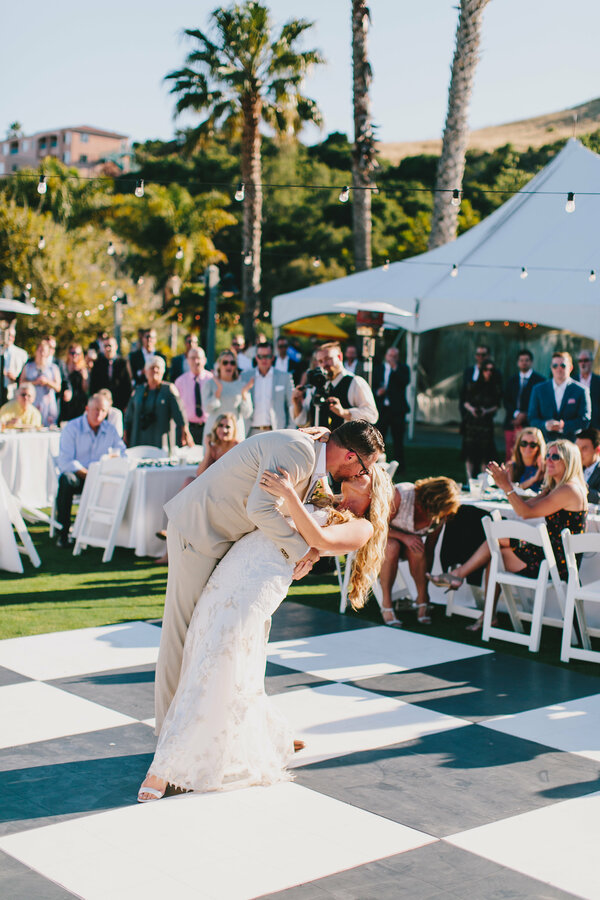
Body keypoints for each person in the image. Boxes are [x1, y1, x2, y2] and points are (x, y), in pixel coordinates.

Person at [138, 462, 393, 801]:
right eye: (358, 467)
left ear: (376, 489)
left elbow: (317, 537)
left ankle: (164, 767)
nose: (359, 472)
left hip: (261, 580)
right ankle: (268, 734)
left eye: (366, 473)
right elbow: (303, 524)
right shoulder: (326, 500)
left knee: (218, 654)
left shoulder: (362, 527)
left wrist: (295, 510)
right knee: (210, 646)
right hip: (238, 563)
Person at [154, 419, 385, 734]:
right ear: (348, 456)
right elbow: (260, 509)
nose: (361, 474)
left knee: (240, 639)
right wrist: (302, 552)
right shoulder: (300, 451)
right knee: (182, 635)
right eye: (363, 467)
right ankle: (169, 733)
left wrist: (311, 552)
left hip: (232, 548)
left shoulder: (318, 461)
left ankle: (248, 726)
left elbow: (314, 523)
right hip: (199, 532)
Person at [429, 440, 588, 630]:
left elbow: (525, 513)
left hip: (558, 562)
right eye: (547, 456)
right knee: (495, 553)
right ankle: (487, 614)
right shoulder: (555, 488)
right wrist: (507, 484)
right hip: (550, 554)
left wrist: (506, 486)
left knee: (496, 538)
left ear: (570, 461)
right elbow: (526, 507)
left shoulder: (568, 489)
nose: (549, 460)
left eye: (555, 457)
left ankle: (459, 576)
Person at [379, 477, 461, 627]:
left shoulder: (439, 515)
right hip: (382, 538)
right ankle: (386, 603)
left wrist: (426, 577)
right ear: (431, 500)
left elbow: (430, 549)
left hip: (407, 545)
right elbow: (376, 525)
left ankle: (422, 599)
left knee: (418, 550)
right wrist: (404, 537)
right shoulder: (401, 495)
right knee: (392, 547)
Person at [55, 393, 126, 547]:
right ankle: (64, 532)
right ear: (87, 409)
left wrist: (113, 459)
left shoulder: (110, 429)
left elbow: (122, 453)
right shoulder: (72, 428)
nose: (98, 414)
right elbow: (65, 462)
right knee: (66, 479)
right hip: (80, 476)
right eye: (95, 410)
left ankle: (115, 533)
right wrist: (88, 474)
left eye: (102, 411)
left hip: (102, 477)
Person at [292, 342, 378, 429]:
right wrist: (297, 403)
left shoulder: (355, 382)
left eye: (328, 359)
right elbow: (303, 422)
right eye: (320, 361)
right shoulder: (316, 385)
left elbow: (372, 415)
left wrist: (344, 412)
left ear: (340, 357)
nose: (324, 365)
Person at [124, 356, 192, 452]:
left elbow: (179, 413)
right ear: (146, 371)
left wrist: (185, 430)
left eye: (158, 368)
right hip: (139, 439)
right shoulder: (138, 390)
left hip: (160, 440)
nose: (155, 370)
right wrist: (125, 433)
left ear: (163, 371)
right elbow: (129, 416)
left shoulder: (169, 389)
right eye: (152, 368)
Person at [528, 351, 590, 442]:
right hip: (545, 443)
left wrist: (563, 426)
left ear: (571, 368)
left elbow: (585, 420)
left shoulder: (581, 390)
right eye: (555, 366)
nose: (558, 369)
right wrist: (545, 425)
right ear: (551, 368)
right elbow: (532, 418)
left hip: (571, 443)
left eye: (563, 365)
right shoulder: (538, 389)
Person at [461, 358, 502, 478]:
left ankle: (483, 480)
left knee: (485, 453)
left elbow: (497, 405)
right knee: (470, 453)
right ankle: (469, 480)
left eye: (491, 370)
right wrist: (472, 409)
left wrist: (486, 411)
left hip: (486, 423)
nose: (488, 372)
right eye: (486, 369)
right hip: (472, 423)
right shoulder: (473, 385)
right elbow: (465, 401)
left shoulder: (494, 388)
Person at [241, 341, 294, 435]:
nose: (264, 360)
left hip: (276, 431)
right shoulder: (245, 376)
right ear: (256, 357)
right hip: (250, 431)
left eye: (267, 356)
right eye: (261, 356)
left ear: (272, 358)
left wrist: (290, 430)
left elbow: (291, 404)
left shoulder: (284, 377)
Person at [202, 349, 253, 442]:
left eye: (232, 363)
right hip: (214, 433)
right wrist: (218, 391)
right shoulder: (210, 384)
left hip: (234, 434)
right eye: (225, 362)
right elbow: (206, 409)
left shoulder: (241, 385)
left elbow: (247, 413)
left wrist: (244, 394)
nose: (229, 365)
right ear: (219, 365)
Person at [503, 349, 545, 459]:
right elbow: (506, 400)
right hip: (511, 423)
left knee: (528, 455)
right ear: (518, 362)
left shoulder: (540, 381)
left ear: (531, 362)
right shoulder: (511, 380)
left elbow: (541, 402)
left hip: (530, 423)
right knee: (510, 453)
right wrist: (516, 414)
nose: (524, 362)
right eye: (521, 360)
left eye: (526, 360)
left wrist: (525, 414)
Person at [374, 346, 410, 471]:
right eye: (390, 356)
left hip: (397, 409)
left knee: (398, 439)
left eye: (395, 356)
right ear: (386, 356)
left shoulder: (403, 368)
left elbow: (404, 382)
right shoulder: (379, 369)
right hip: (382, 409)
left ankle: (399, 467)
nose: (392, 358)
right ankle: (377, 463)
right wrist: (377, 392)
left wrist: (395, 368)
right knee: (378, 438)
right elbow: (372, 384)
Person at [174, 345, 213, 445]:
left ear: (204, 360)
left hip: (209, 427)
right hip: (188, 428)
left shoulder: (212, 380)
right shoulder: (180, 382)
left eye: (199, 358)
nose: (196, 361)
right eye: (192, 358)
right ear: (187, 360)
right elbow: (176, 409)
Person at [20, 338, 62, 426]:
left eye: (44, 351)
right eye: (40, 350)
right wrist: (35, 382)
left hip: (48, 405)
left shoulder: (53, 368)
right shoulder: (28, 366)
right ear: (36, 351)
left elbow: (58, 387)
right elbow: (21, 383)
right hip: (33, 403)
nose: (42, 353)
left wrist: (47, 382)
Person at [89, 336, 133, 412]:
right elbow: (93, 385)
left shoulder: (123, 363)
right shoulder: (98, 363)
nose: (107, 348)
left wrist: (127, 405)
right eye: (105, 346)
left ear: (116, 347)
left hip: (120, 404)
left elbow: (127, 385)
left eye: (110, 346)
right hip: (101, 405)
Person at [506, 427, 546, 493]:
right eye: (524, 443)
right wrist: (533, 479)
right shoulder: (511, 466)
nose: (528, 447)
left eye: (532, 444)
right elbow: (510, 490)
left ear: (539, 447)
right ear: (518, 445)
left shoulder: (544, 467)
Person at [59, 344, 89, 423]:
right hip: (65, 402)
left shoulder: (83, 369)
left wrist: (84, 377)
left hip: (78, 403)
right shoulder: (63, 367)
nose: (75, 355)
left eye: (77, 354)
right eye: (72, 353)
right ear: (68, 354)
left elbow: (85, 389)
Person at [574, 349, 600, 428]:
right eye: (580, 361)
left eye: (586, 360)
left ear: (591, 362)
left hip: (595, 426)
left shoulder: (598, 381)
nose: (583, 363)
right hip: (576, 426)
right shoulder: (572, 381)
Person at [2, 325, 27, 401]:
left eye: (11, 336)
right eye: (7, 335)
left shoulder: (21, 354)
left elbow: (26, 374)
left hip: (13, 391)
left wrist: (16, 378)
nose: (9, 338)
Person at [575, 427, 600, 504]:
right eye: (577, 449)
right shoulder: (576, 467)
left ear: (597, 450)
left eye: (584, 449)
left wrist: (578, 487)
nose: (579, 453)